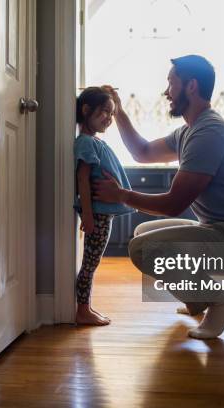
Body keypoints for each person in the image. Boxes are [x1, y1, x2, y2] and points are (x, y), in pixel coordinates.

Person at [93, 55, 224, 339]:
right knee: (144, 232)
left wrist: (121, 194)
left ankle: (221, 300)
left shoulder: (208, 133)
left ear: (191, 86)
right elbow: (143, 152)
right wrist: (119, 112)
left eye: (172, 83)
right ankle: (197, 299)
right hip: (217, 231)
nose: (167, 92)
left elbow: (174, 204)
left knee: (142, 248)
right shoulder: (189, 131)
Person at [74, 86, 134, 326]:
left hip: (101, 213)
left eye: (112, 113)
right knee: (91, 263)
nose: (109, 118)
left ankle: (86, 306)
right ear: (86, 110)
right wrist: (87, 215)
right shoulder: (86, 142)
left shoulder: (93, 141)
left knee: (92, 261)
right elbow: (82, 179)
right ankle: (82, 310)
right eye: (104, 112)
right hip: (97, 214)